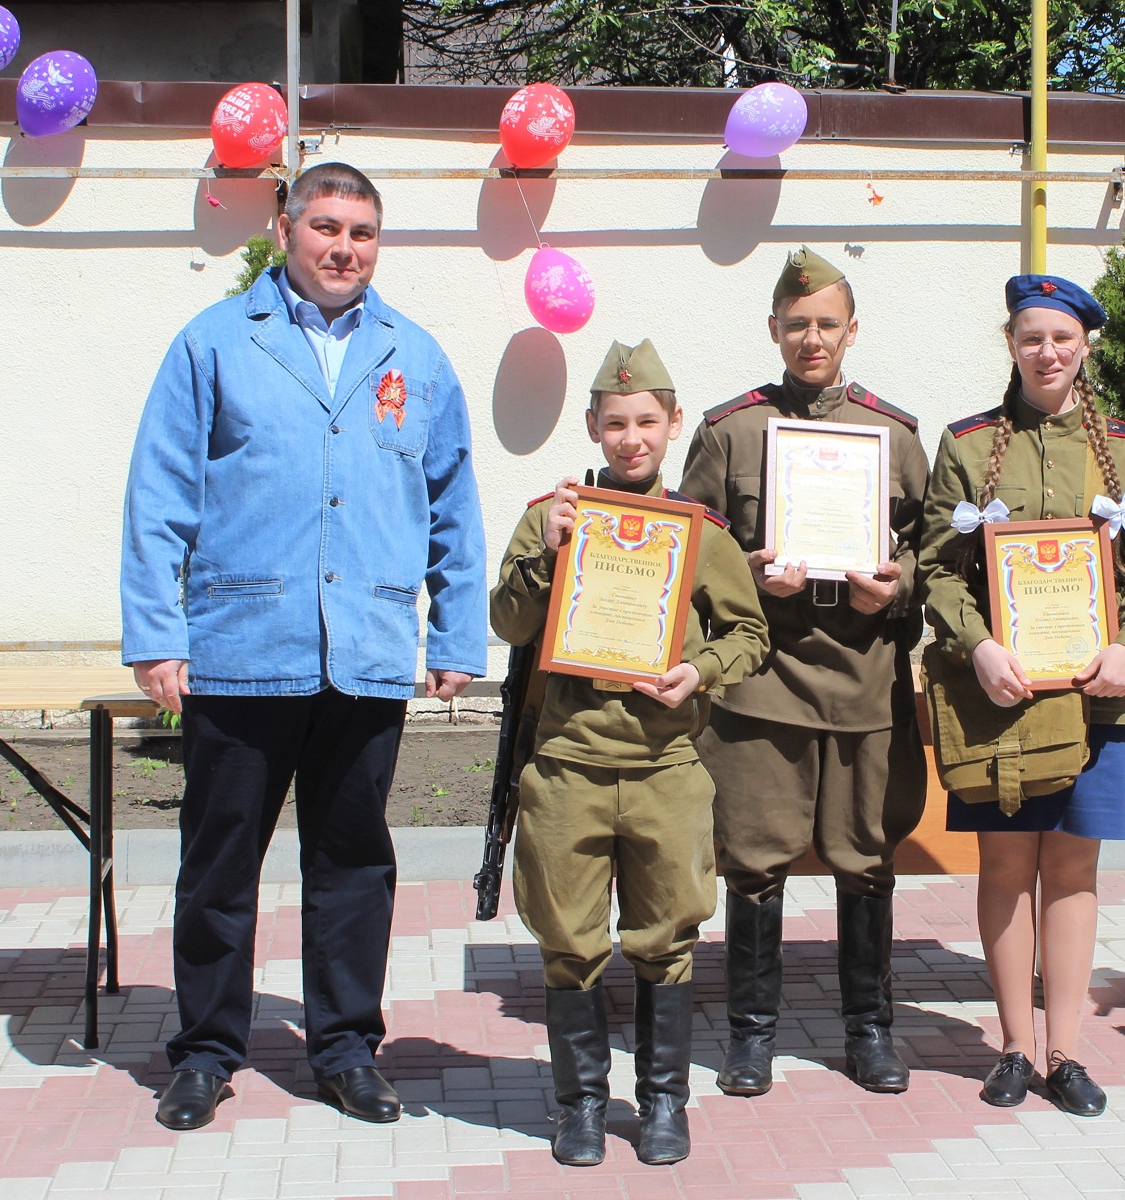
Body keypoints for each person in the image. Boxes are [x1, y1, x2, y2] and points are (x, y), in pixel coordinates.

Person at [120, 162, 488, 1130]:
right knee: (219, 860)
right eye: (325, 225)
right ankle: (204, 1050)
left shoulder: (416, 356)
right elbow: (159, 498)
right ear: (284, 226)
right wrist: (156, 634)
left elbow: (452, 503)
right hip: (241, 647)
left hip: (363, 650)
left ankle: (344, 1048)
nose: (343, 247)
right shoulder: (214, 345)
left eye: (361, 232)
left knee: (353, 863)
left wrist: (455, 630)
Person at [489, 340, 769, 1166]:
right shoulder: (554, 511)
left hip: (663, 767)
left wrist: (701, 671)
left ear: (673, 425)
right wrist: (548, 546)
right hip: (568, 763)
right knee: (570, 942)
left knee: (664, 939)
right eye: (616, 423)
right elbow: (507, 621)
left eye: (647, 421)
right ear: (592, 426)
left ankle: (661, 1104)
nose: (632, 438)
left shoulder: (698, 532)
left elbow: (751, 634)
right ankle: (578, 1106)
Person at [920, 275, 1125, 1116]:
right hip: (1001, 697)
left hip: (1095, 698)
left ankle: (1063, 1051)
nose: (1048, 353)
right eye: (1032, 338)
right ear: (1011, 344)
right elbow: (934, 567)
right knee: (1005, 865)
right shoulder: (967, 446)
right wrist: (980, 644)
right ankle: (1011, 1046)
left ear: (1085, 347)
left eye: (1062, 339)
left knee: (1071, 871)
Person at [680, 247, 929, 1096]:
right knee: (753, 863)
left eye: (826, 324)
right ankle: (751, 1037)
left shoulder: (893, 434)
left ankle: (869, 1032)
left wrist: (892, 591)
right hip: (763, 685)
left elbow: (929, 556)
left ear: (851, 331)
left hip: (864, 682)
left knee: (866, 860)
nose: (811, 339)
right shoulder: (730, 431)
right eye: (796, 325)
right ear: (774, 331)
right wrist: (745, 576)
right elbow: (694, 555)